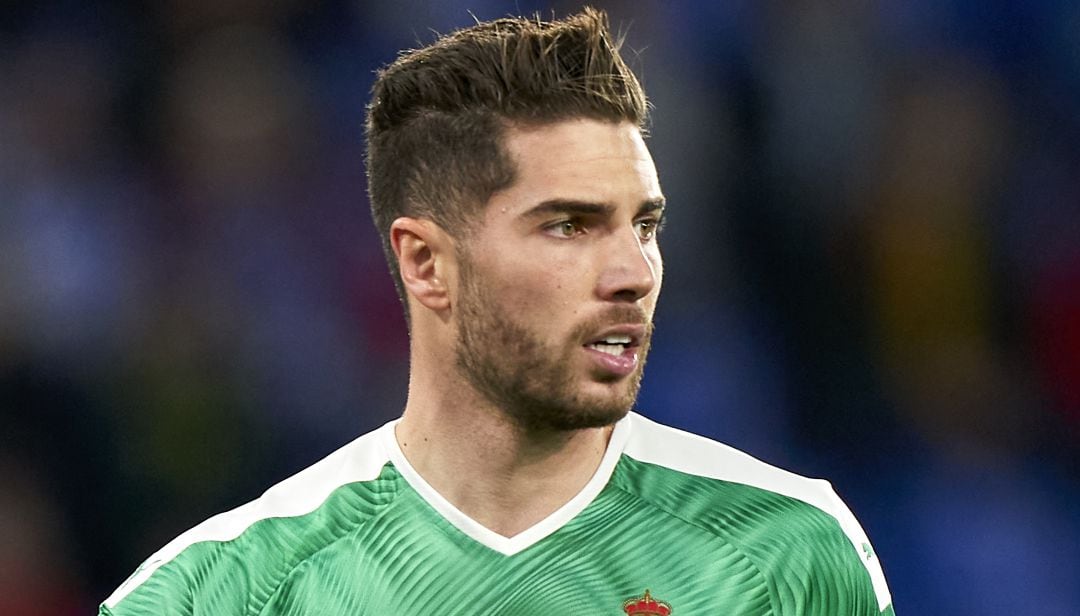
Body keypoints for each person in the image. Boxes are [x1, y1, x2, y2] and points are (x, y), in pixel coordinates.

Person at [101, 8, 894, 615]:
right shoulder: (221, 590)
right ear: (425, 263)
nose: (632, 272)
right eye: (568, 225)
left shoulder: (791, 550)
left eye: (644, 225)